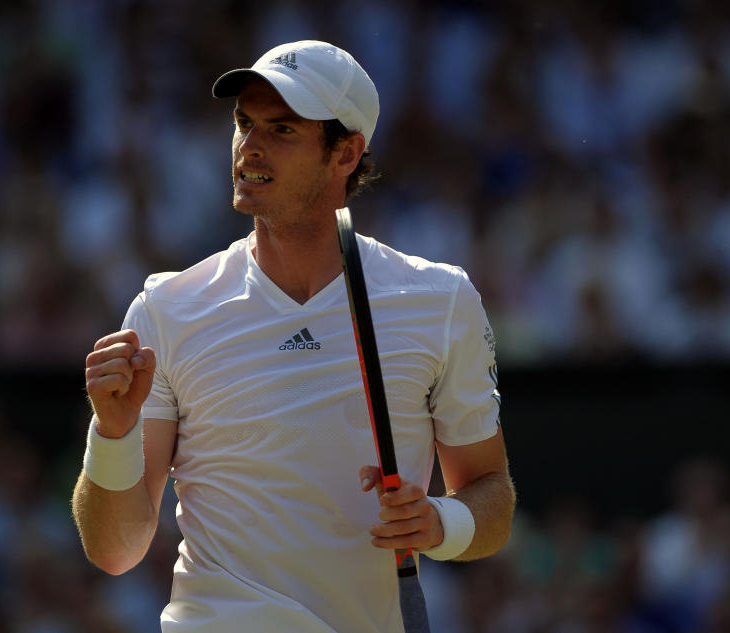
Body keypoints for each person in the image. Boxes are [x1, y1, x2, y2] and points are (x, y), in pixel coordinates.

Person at [71, 40, 516, 633]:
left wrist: (438, 523)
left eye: (281, 129)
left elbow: (491, 494)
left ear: (346, 153)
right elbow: (115, 550)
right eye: (243, 123)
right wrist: (112, 432)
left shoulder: (440, 301)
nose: (249, 146)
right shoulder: (164, 309)